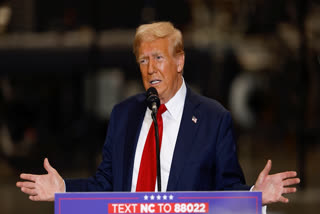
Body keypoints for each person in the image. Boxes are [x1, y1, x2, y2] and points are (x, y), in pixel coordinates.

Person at [16, 22, 299, 209]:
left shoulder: (214, 119)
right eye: (143, 60)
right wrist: (64, 189)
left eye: (159, 58)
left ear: (179, 61)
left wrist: (254, 195)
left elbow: (225, 190)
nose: (151, 69)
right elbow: (105, 185)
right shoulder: (124, 114)